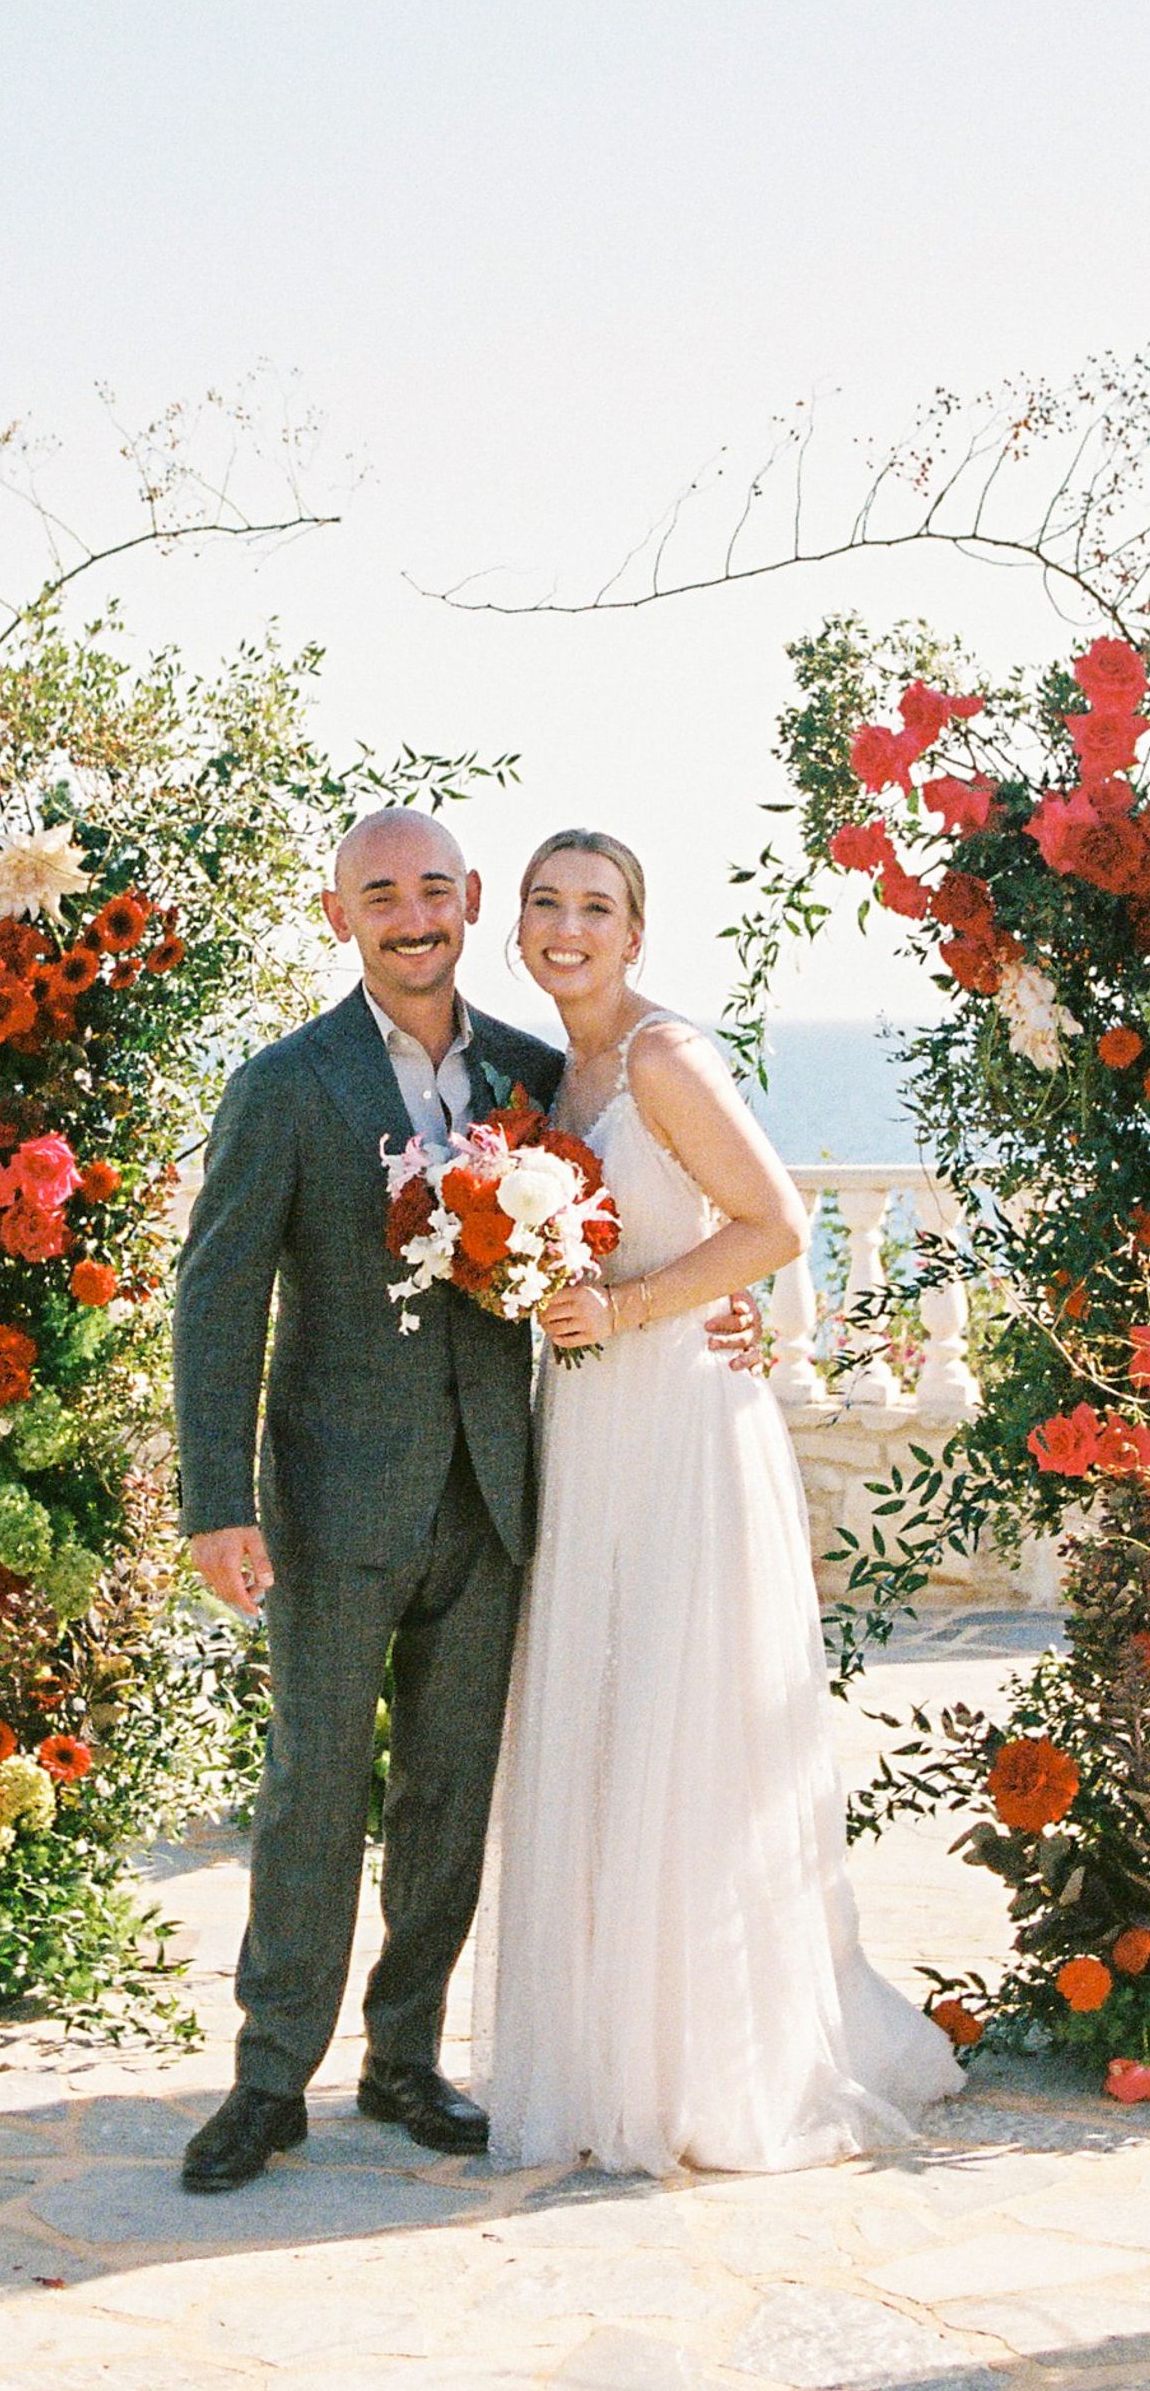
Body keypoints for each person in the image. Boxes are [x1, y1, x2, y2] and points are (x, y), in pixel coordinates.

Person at [171, 807, 761, 2193]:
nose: (414, 912)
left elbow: (686, 1207)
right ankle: (270, 2081)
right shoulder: (285, 1085)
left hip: (500, 1494)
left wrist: (739, 1318)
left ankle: (402, 2057)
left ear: (473, 899)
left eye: (436, 887)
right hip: (330, 1498)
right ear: (342, 918)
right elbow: (217, 1298)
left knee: (449, 1795)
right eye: (383, 893)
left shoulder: (535, 1074)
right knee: (314, 1791)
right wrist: (216, 1500)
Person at [476, 828, 964, 2175]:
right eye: (546, 904)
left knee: (683, 1722)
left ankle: (708, 2064)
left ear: (635, 934)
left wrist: (629, 1306)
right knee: (608, 1713)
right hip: (585, 1417)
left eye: (596, 908)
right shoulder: (541, 1075)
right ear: (517, 928)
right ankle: (609, 2047)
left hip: (682, 1413)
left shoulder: (660, 1059)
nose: (567, 927)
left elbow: (778, 1226)